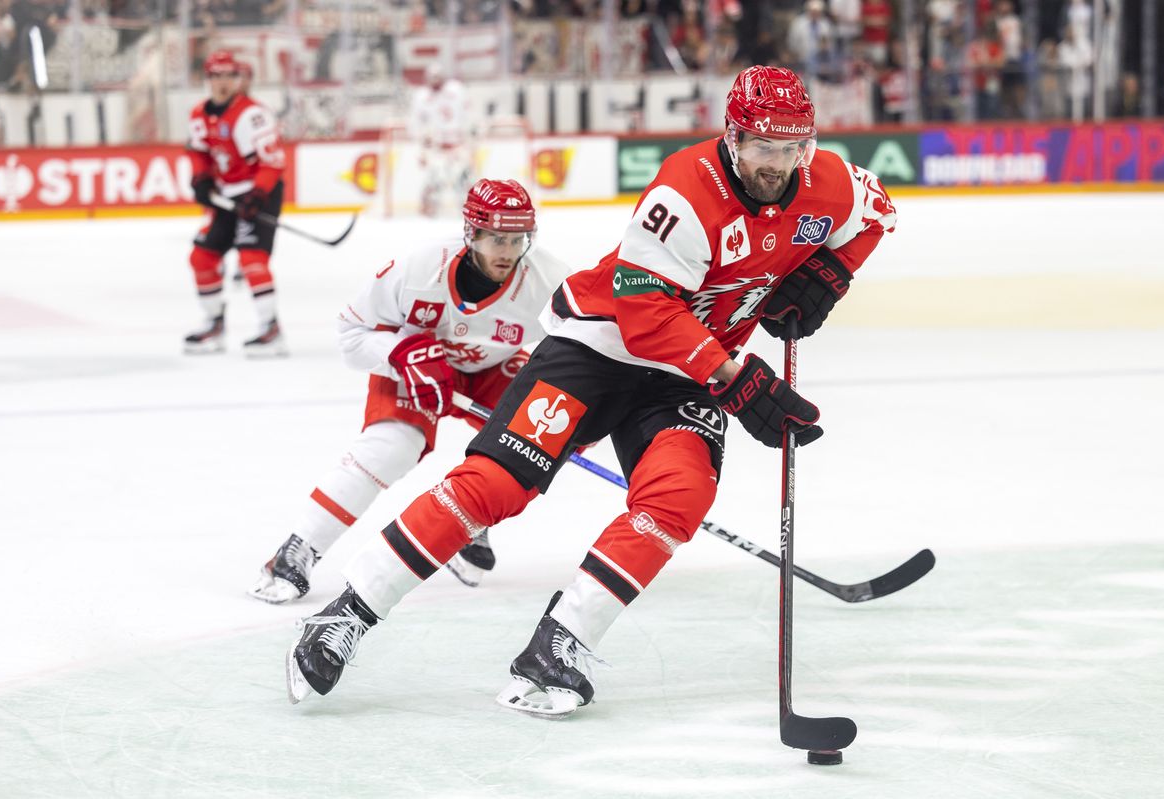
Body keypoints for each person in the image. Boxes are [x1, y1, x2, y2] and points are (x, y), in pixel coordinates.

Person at [284, 66, 898, 716]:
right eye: (763, 146)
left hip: (684, 377)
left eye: (791, 147)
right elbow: (646, 312)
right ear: (734, 136)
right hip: (597, 350)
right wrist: (734, 378)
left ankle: (560, 643)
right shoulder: (686, 191)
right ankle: (345, 614)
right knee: (494, 486)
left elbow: (878, 211)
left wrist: (830, 273)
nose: (776, 163)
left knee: (679, 495)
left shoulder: (829, 183)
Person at [251, 179, 570, 603]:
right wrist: (399, 352)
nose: (508, 252)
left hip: (494, 368)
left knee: (529, 446)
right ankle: (299, 548)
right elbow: (351, 335)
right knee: (392, 447)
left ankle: (469, 518)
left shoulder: (549, 281)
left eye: (517, 240)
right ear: (471, 233)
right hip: (414, 363)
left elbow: (585, 348)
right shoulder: (419, 268)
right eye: (497, 238)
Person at [184, 49, 288, 357]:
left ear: (237, 78)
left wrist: (257, 196)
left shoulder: (252, 115)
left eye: (229, 75)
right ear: (208, 78)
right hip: (226, 196)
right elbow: (199, 152)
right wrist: (201, 179)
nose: (223, 82)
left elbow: (273, 162)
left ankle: (271, 329)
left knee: (251, 258)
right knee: (201, 257)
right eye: (217, 76)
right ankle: (214, 325)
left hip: (259, 193)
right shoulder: (199, 114)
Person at [407, 63, 472, 216]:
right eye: (432, 77)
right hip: (436, 147)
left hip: (457, 145)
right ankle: (429, 209)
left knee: (463, 180)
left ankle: (469, 210)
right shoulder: (422, 96)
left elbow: (468, 114)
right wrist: (422, 145)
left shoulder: (456, 90)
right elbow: (415, 123)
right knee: (434, 180)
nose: (435, 80)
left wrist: (468, 138)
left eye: (437, 77)